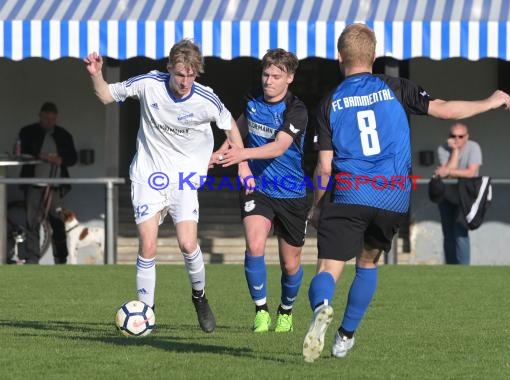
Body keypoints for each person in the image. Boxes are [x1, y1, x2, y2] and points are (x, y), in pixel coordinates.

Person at [302, 23, 510, 362]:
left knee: (328, 267)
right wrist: (489, 100)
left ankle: (322, 307)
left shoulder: (329, 103)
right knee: (368, 263)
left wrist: (315, 206)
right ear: (373, 56)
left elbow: (325, 168)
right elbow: (445, 109)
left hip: (351, 191)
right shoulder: (396, 87)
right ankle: (345, 336)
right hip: (392, 195)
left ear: (339, 57)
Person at [84, 39, 248, 333]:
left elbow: (230, 125)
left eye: (191, 76)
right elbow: (107, 96)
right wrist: (97, 75)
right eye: (180, 74)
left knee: (187, 244)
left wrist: (238, 157)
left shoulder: (206, 99)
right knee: (147, 245)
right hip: (148, 175)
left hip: (184, 178)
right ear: (169, 68)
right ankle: (147, 313)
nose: (185, 82)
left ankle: (199, 297)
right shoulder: (149, 84)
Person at [212, 49, 309, 333]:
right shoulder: (253, 99)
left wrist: (241, 155)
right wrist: (220, 153)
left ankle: (286, 311)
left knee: (290, 265)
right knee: (254, 245)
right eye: (266, 74)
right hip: (258, 188)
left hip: (291, 192)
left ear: (289, 78)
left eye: (276, 76)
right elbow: (236, 133)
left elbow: (279, 147)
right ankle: (261, 311)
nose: (269, 80)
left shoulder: (297, 110)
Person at [19, 102, 78, 264]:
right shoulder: (28, 132)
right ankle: (32, 259)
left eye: (52, 119)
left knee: (58, 222)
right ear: (40, 116)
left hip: (55, 187)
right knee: (32, 223)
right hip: (33, 185)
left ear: (56, 118)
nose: (49, 122)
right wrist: (41, 156)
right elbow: (21, 151)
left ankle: (61, 259)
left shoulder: (63, 135)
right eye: (46, 118)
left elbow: (72, 158)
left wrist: (60, 159)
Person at [434, 123, 482, 265]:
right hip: (447, 192)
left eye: (460, 136)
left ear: (466, 137)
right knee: (448, 233)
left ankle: (463, 269)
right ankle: (450, 267)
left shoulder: (474, 147)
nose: (457, 139)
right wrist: (454, 151)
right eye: (453, 136)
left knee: (460, 231)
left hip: (466, 193)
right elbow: (447, 176)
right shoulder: (442, 148)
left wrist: (448, 172)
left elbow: (471, 172)